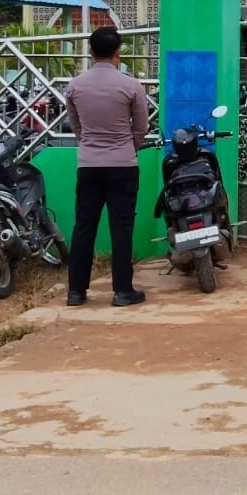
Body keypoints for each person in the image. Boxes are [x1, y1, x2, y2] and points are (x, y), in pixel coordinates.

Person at [64, 25, 151, 308]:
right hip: (123, 164)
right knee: (121, 227)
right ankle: (122, 290)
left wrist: (90, 144)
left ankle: (76, 292)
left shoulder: (75, 86)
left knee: (84, 226)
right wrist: (129, 147)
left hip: (88, 165)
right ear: (118, 52)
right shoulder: (130, 86)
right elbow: (141, 127)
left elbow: (76, 126)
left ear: (90, 51)